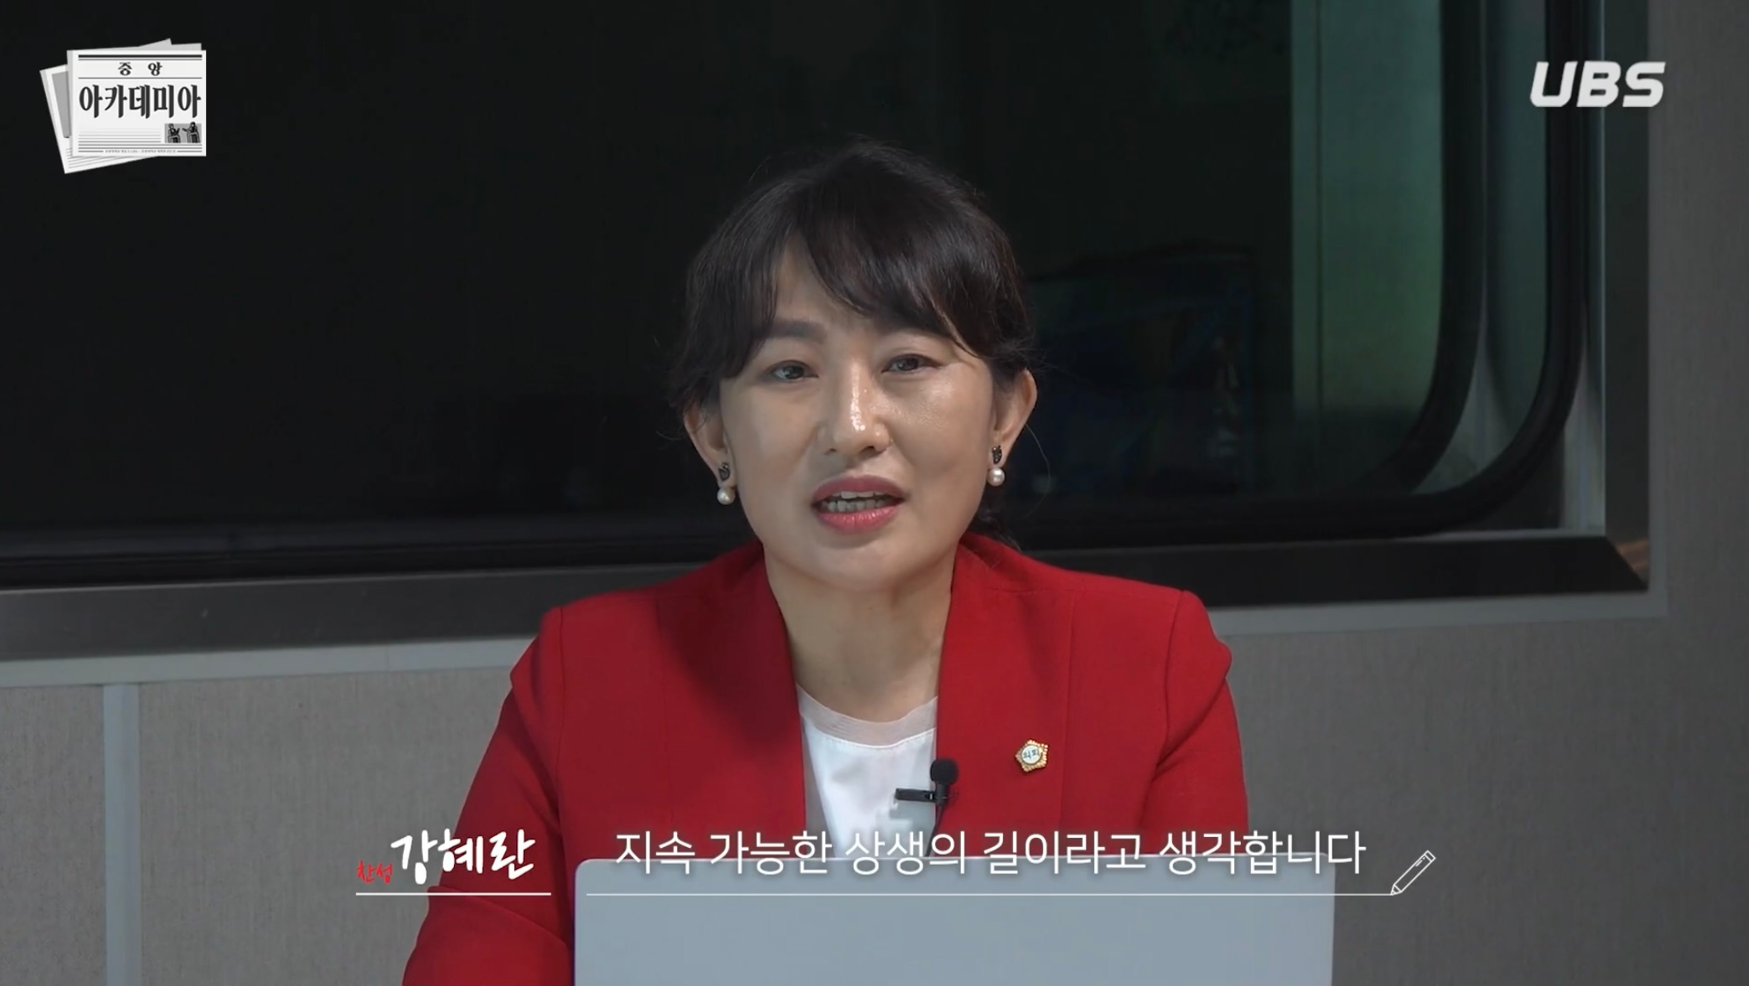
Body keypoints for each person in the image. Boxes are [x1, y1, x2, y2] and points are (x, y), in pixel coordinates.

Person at [402, 138, 1248, 985]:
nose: (852, 427)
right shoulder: (586, 680)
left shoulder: (1148, 667)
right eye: (790, 370)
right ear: (712, 433)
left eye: (907, 362)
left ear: (1005, 413)